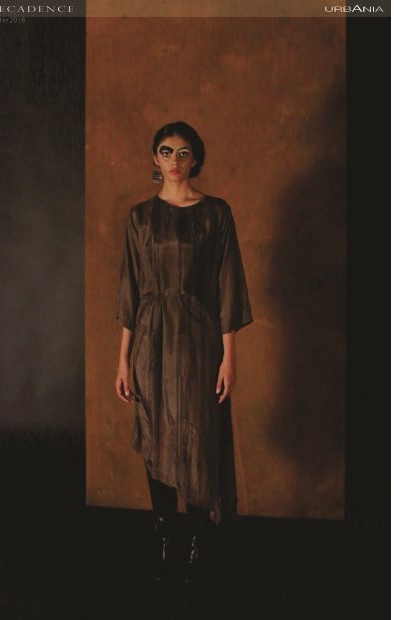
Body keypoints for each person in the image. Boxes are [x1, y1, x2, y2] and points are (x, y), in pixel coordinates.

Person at [114, 121, 253, 584]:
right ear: (154, 158)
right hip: (150, 340)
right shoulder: (139, 218)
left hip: (198, 340)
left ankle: (196, 537)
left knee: (196, 435)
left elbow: (228, 287)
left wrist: (229, 358)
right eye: (165, 151)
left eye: (183, 152)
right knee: (156, 432)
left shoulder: (216, 214)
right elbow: (130, 292)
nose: (174, 160)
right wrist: (122, 359)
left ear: (196, 159)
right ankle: (164, 536)